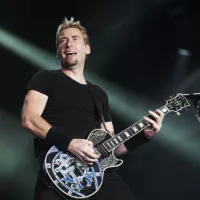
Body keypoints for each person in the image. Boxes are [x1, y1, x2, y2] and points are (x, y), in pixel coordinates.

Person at [21, 17, 164, 200]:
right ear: (58, 51)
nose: (68, 44)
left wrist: (144, 136)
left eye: (75, 39)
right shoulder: (45, 78)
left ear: (87, 49)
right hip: (60, 174)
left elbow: (111, 148)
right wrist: (70, 144)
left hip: (97, 177)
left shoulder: (99, 94)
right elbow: (29, 119)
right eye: (63, 40)